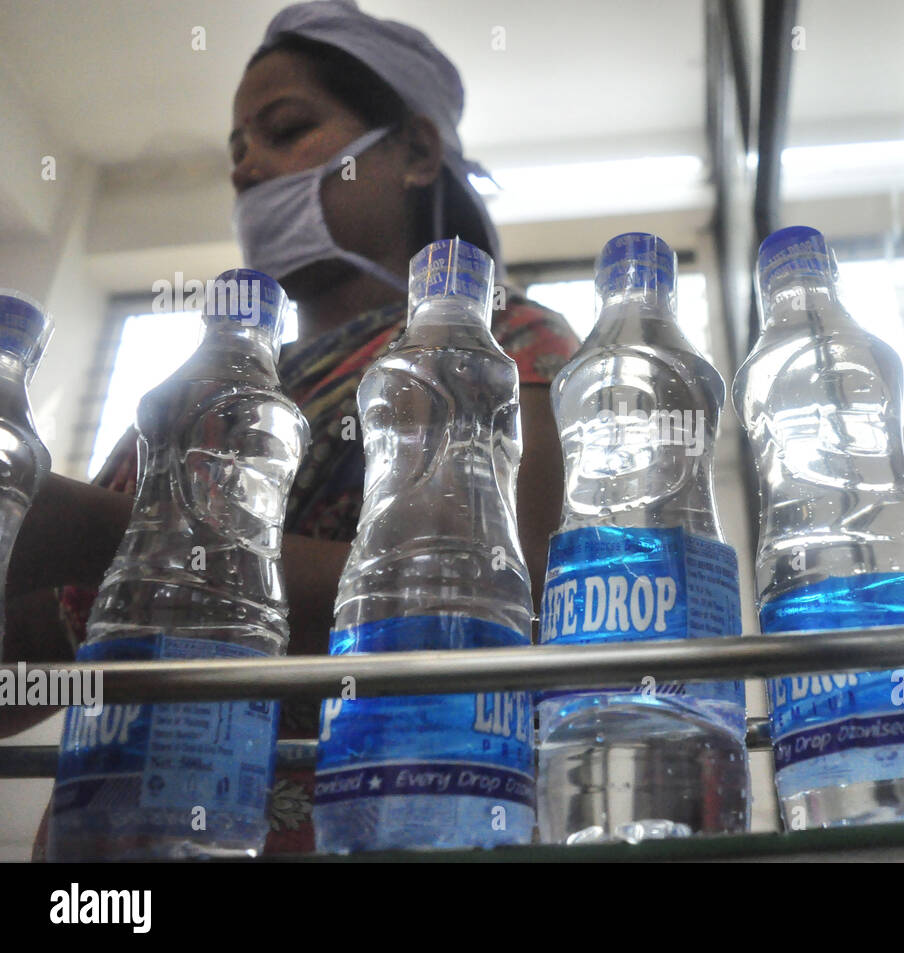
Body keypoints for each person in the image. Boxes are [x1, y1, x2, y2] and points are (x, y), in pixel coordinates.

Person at [3, 0, 581, 856]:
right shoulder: (182, 401)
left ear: (416, 150)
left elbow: (516, 609)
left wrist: (109, 532)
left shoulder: (506, 348)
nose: (246, 170)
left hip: (377, 822)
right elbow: (31, 678)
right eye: (236, 150)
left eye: (284, 130)